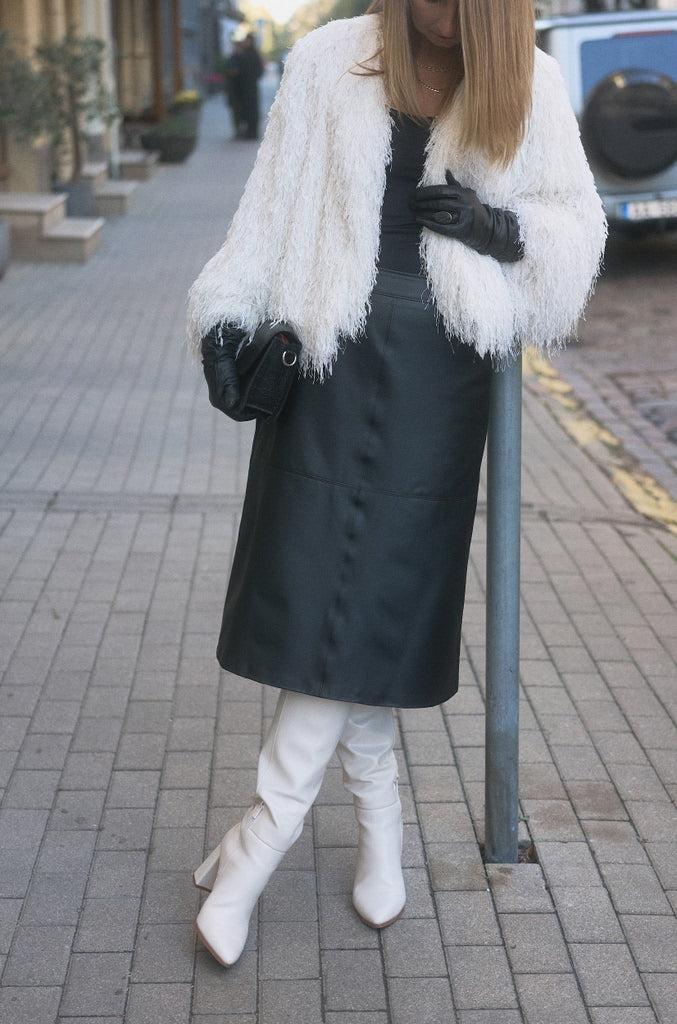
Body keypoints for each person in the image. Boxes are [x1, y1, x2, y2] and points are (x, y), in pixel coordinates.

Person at [187, 0, 606, 968]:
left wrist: (495, 227)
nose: (444, 16)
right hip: (324, 355)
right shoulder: (328, 60)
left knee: (374, 600)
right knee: (322, 599)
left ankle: (258, 843)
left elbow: (574, 230)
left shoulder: (529, 80)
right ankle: (379, 829)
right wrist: (224, 317)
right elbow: (268, 209)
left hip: (438, 379)